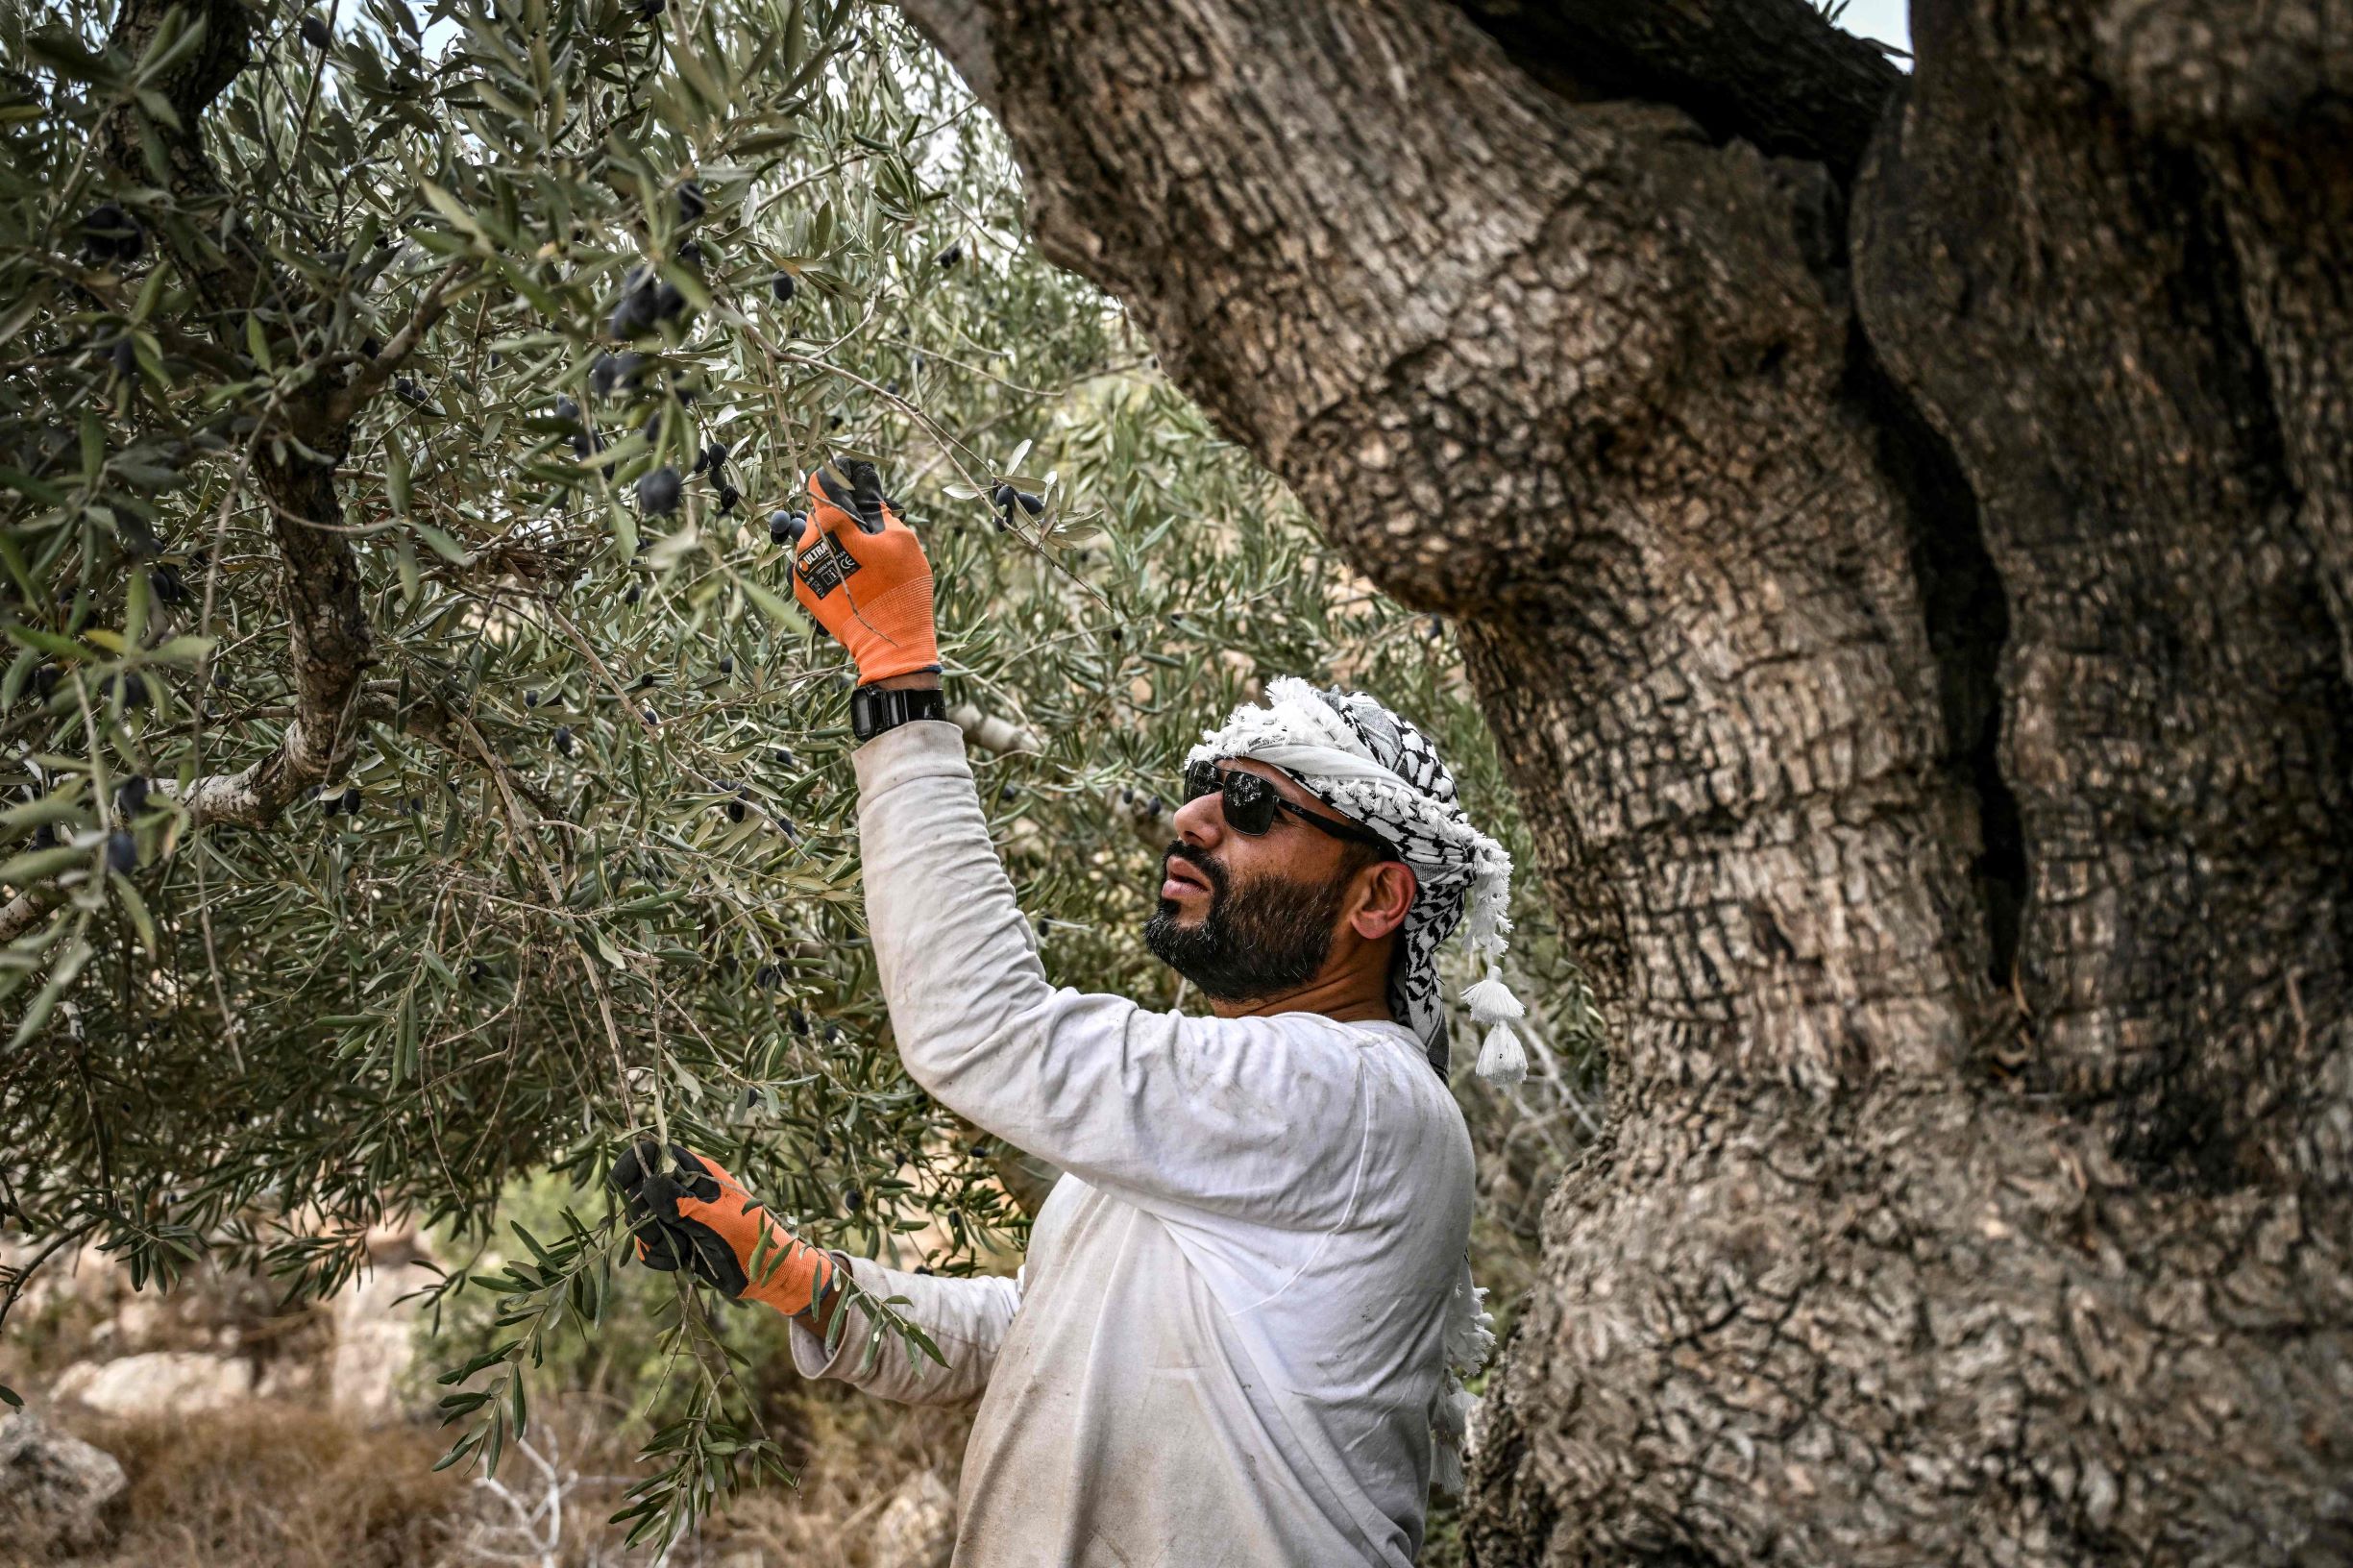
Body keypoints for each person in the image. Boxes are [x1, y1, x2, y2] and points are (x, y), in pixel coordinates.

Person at [611, 459, 1534, 1565]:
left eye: (1251, 804)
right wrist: (797, 1276)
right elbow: (1037, 1334)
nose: (1192, 819)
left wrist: (898, 673)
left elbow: (983, 1029)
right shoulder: (1242, 1116)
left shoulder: (1361, 1100)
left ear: (1379, 897)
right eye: (1205, 785)